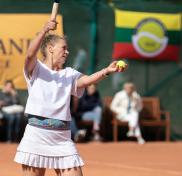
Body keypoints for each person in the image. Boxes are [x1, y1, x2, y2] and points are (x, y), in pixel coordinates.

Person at [14, 18, 127, 176]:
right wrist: (44, 29)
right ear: (50, 48)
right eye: (64, 48)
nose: (67, 52)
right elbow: (30, 54)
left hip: (62, 138)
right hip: (36, 137)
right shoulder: (36, 69)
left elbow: (86, 80)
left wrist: (106, 71)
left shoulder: (69, 74)